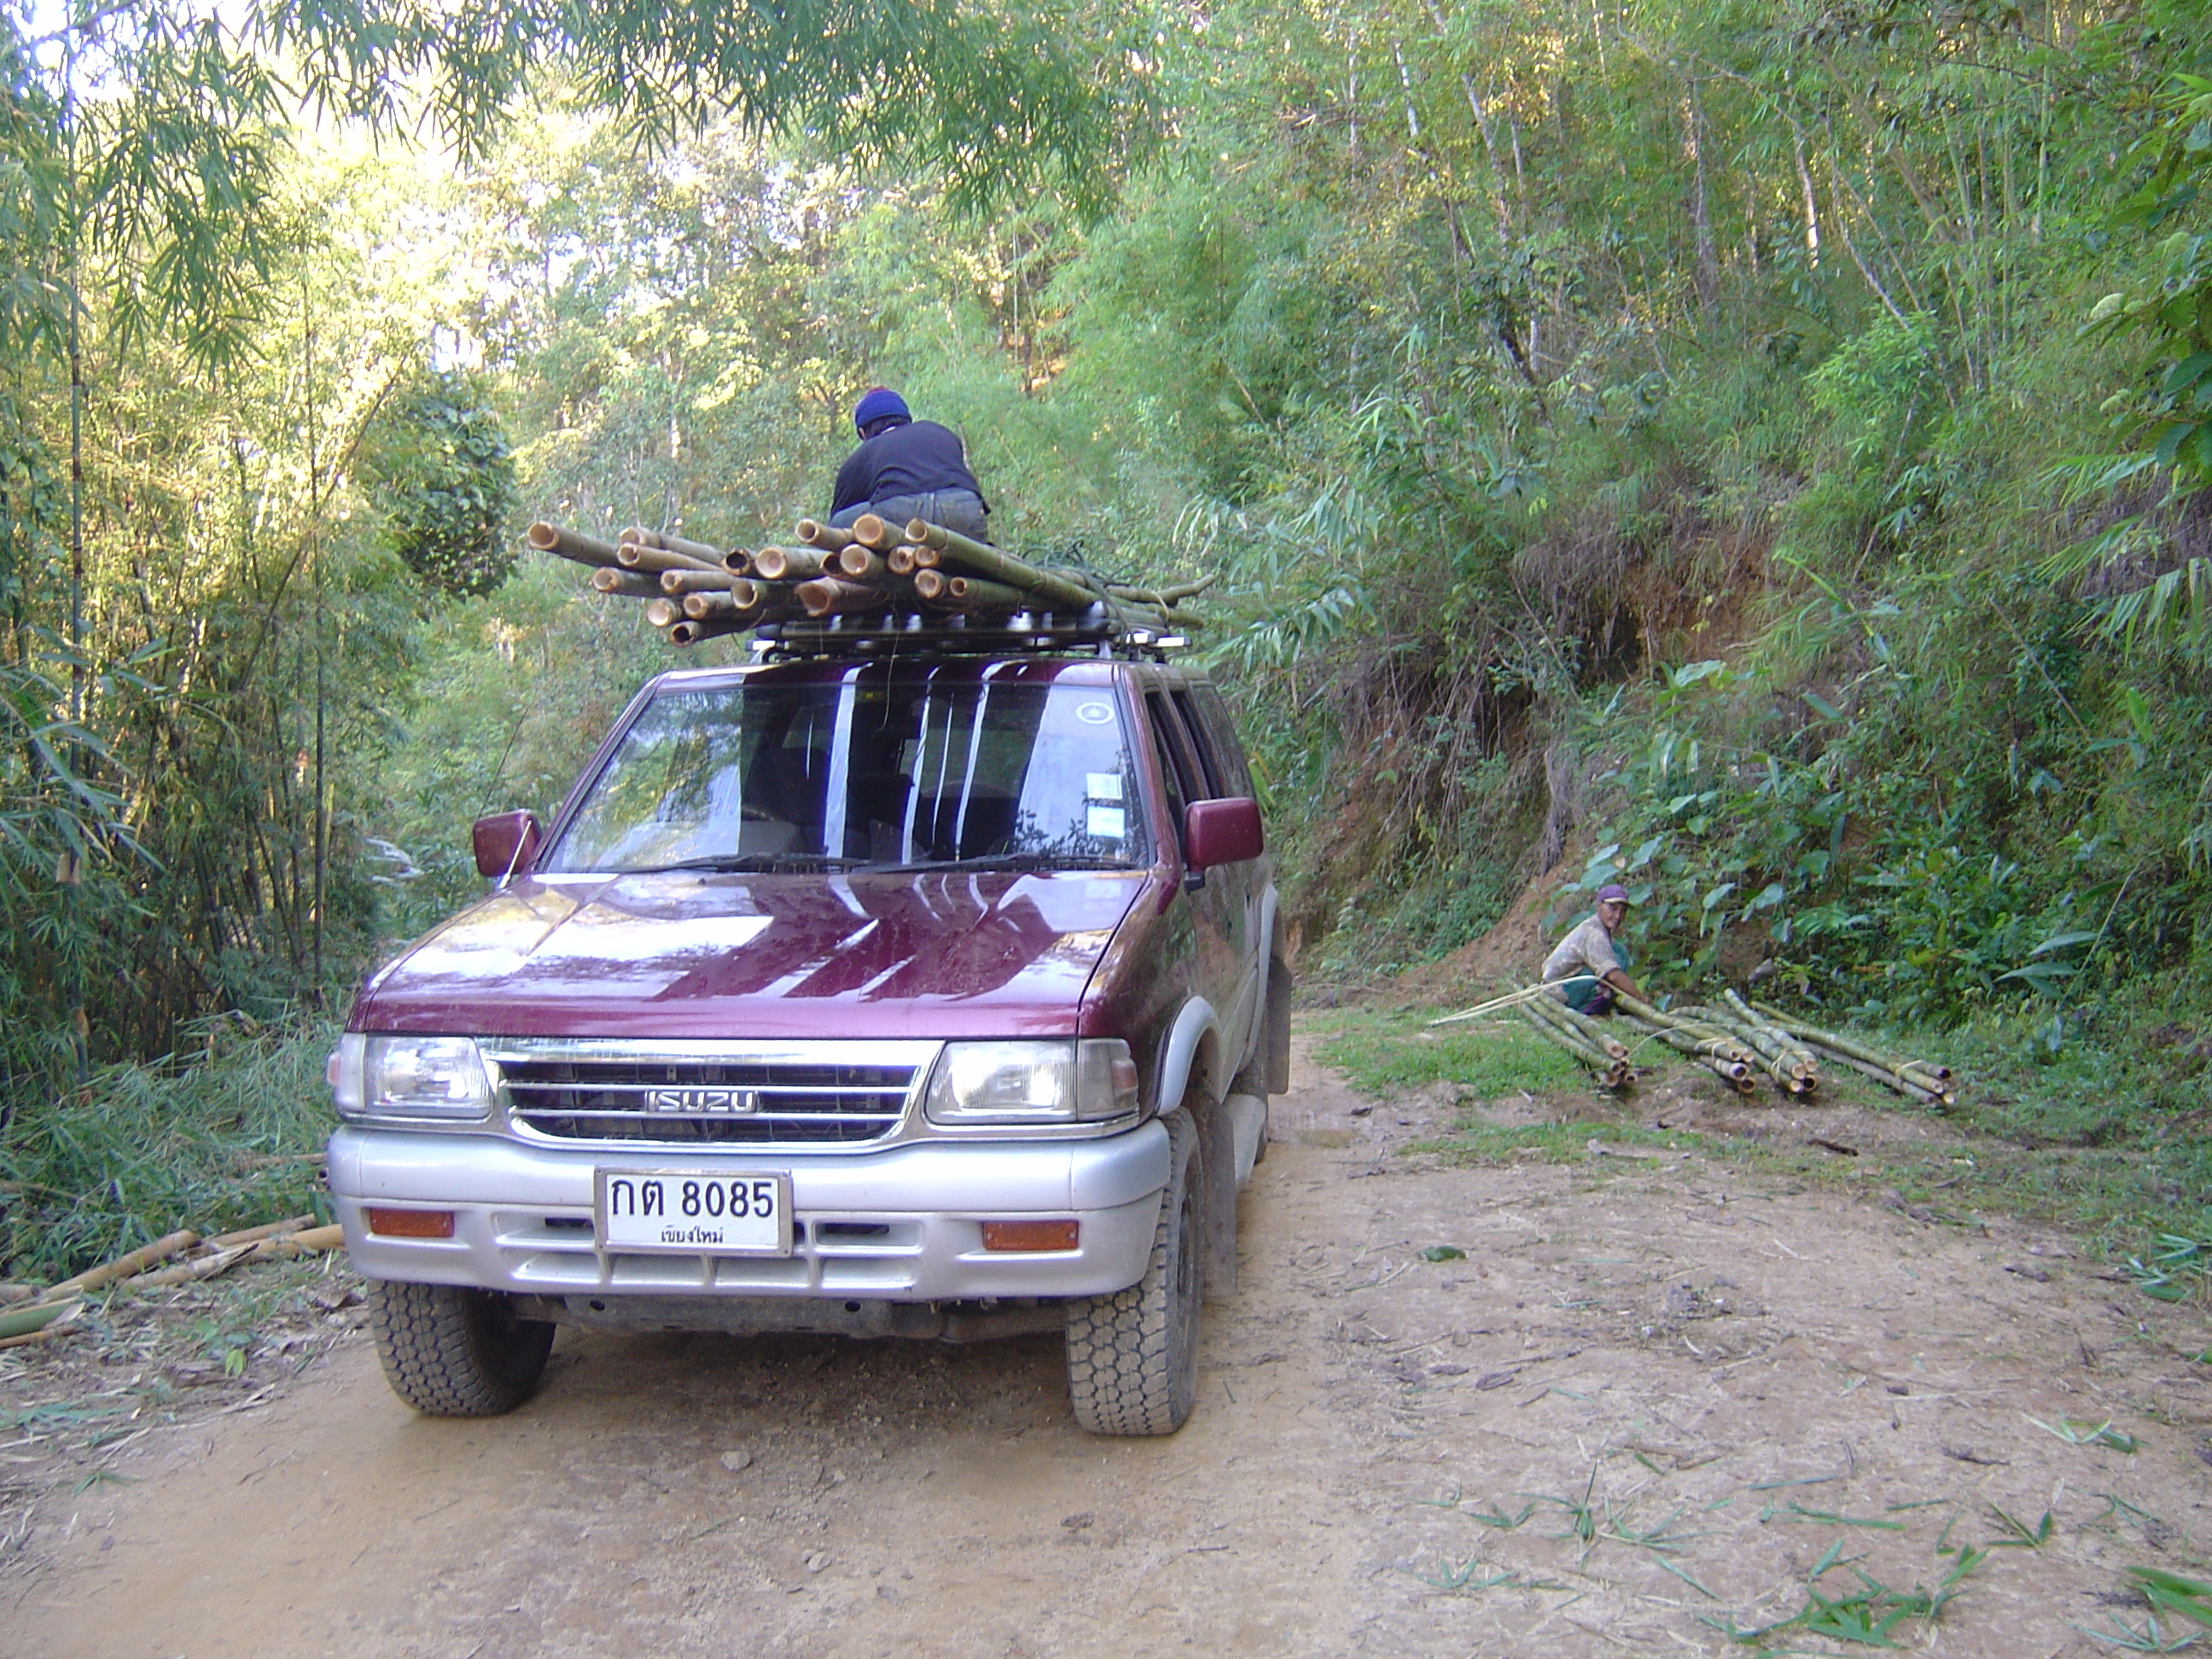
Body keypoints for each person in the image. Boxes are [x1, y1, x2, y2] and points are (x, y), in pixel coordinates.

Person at [829, 388, 992, 542]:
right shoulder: (940, 432)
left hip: (901, 514)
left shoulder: (866, 452)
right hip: (964, 507)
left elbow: (839, 513)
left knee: (838, 522)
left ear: (863, 433)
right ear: (906, 419)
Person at [1541, 883, 1646, 1014]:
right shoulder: (1595, 934)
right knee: (1605, 976)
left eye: (1622, 911)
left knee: (1618, 950)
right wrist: (1641, 999)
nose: (1618, 916)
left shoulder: (1599, 929)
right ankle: (1587, 1009)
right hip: (1559, 990)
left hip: (1564, 984)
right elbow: (1613, 975)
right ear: (1599, 906)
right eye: (1613, 908)